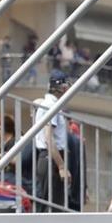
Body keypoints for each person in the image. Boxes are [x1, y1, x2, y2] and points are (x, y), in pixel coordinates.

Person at [33, 72, 72, 211]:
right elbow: (49, 138)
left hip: (49, 158)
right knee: (52, 207)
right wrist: (61, 166)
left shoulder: (49, 104)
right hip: (51, 159)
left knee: (50, 205)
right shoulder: (51, 105)